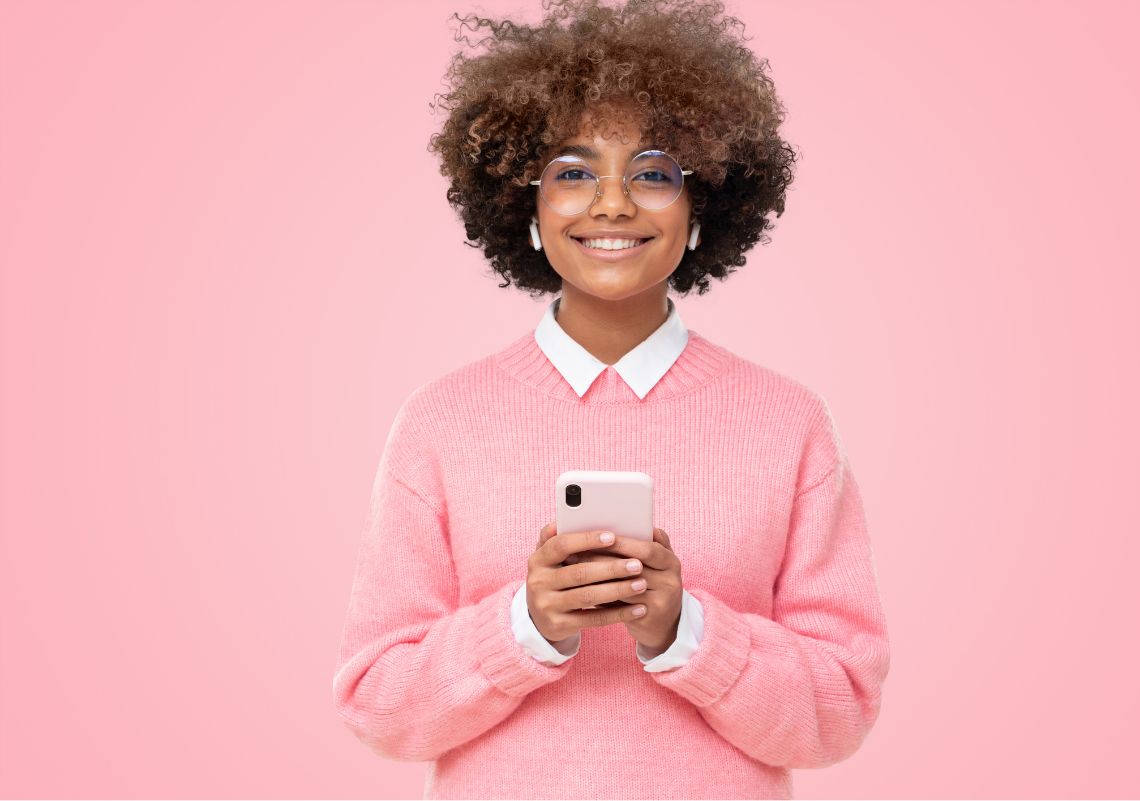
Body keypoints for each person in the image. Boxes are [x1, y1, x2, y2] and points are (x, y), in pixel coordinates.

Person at [332, 0, 890, 798]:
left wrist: (682, 632)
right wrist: (527, 624)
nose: (613, 202)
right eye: (572, 172)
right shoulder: (440, 422)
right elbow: (375, 701)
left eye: (654, 172)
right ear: (525, 207)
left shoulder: (787, 421)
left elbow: (843, 709)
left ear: (704, 207)